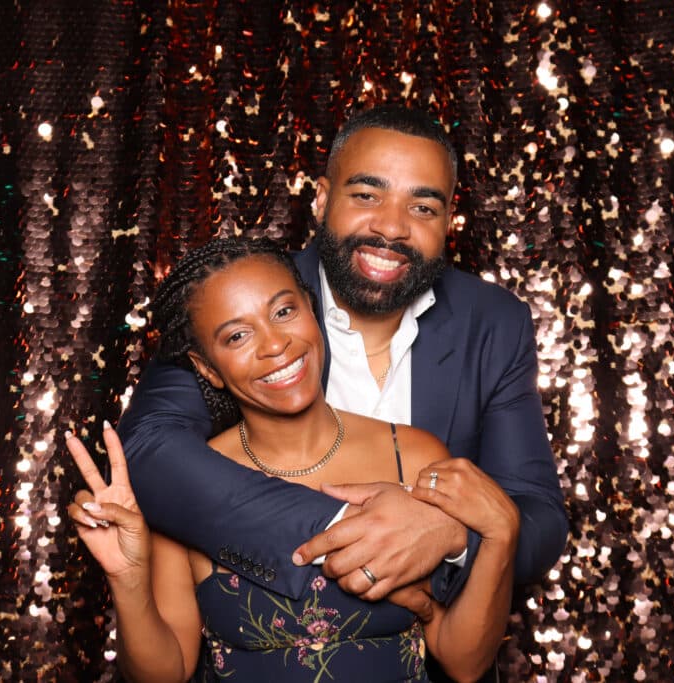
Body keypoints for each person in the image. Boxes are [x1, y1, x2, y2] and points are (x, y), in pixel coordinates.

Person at [118, 105, 566, 606]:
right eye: (367, 195)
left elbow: (538, 517)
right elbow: (148, 451)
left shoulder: (494, 321)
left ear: (448, 221)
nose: (392, 228)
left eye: (423, 207)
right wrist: (348, 531)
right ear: (323, 198)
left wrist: (451, 536)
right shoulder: (252, 299)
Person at [67, 237, 520, 681]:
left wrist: (501, 535)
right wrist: (128, 579)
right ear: (206, 369)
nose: (275, 345)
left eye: (284, 312)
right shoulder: (192, 489)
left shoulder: (414, 454)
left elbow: (464, 662)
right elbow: (167, 671)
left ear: (313, 311)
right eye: (238, 335)